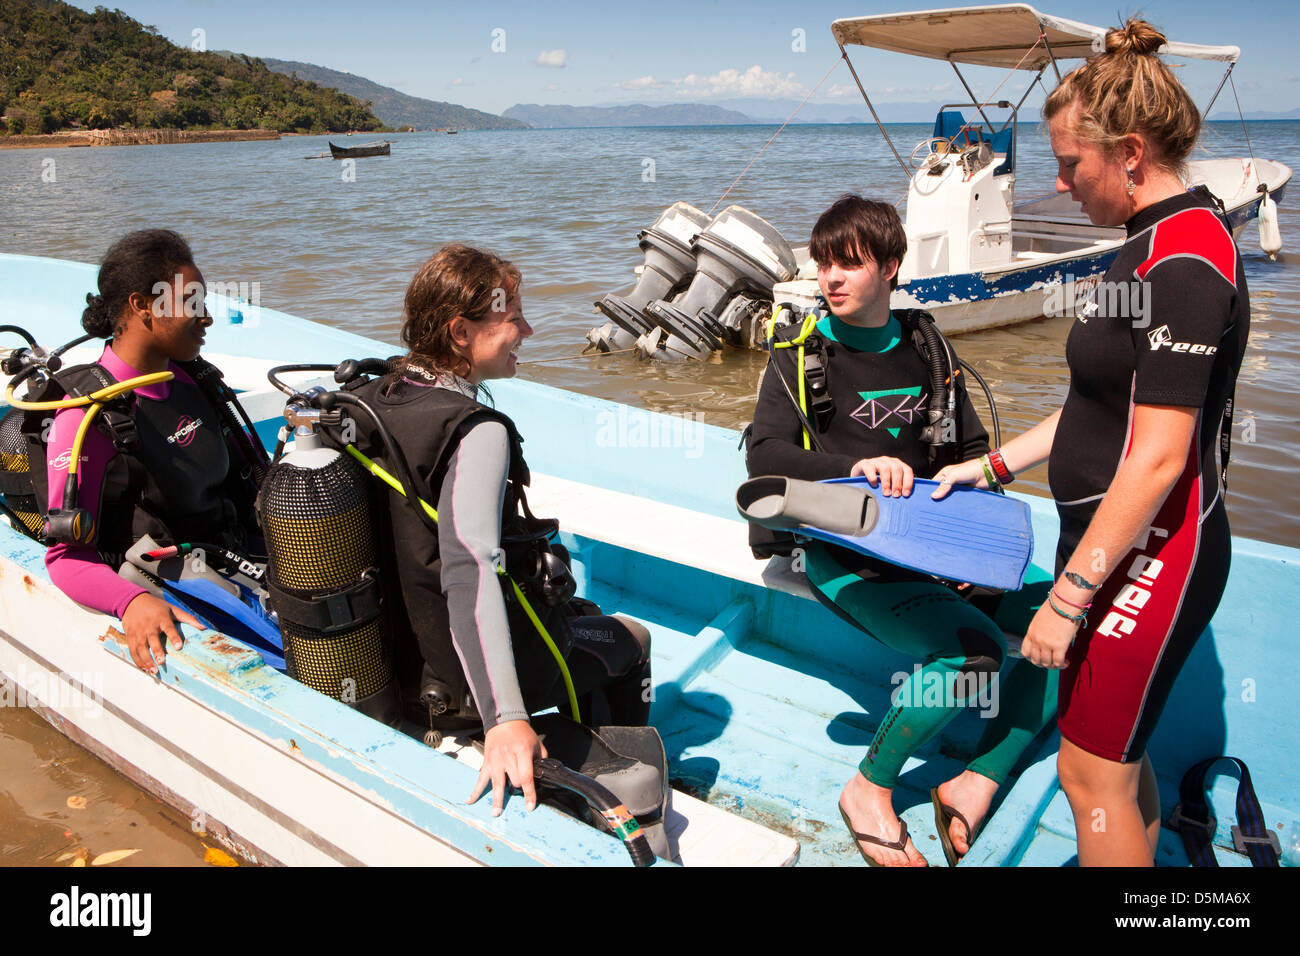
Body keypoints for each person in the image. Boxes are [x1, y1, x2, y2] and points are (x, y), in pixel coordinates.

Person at [931, 18, 1248, 866]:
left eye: (1071, 164)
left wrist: (1069, 598)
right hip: (1110, 545)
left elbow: (1160, 455)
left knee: (1088, 776)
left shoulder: (1184, 259)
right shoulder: (1141, 245)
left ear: (1131, 154)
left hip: (1157, 551)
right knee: (1116, 763)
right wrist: (989, 465)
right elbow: (1097, 406)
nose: (1061, 183)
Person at [745, 195, 1055, 866]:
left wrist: (969, 550)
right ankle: (868, 790)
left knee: (1068, 621)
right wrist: (854, 468)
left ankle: (977, 779)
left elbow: (971, 451)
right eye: (823, 263)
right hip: (843, 550)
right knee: (973, 653)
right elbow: (764, 458)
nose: (830, 278)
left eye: (849, 264)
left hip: (934, 543)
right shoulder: (799, 354)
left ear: (890, 267)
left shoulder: (928, 347)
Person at [347, 244, 652, 817]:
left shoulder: (368, 399)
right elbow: (469, 570)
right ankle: (611, 780)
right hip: (460, 691)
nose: (528, 331)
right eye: (513, 318)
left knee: (580, 614)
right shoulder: (476, 430)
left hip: (394, 664)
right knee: (630, 638)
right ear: (461, 332)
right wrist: (505, 719)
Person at [42, 229, 266, 675]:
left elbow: (253, 476)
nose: (206, 318)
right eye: (192, 302)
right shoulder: (87, 417)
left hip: (236, 562)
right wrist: (131, 602)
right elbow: (64, 558)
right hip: (176, 586)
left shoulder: (195, 381)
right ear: (143, 305)